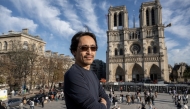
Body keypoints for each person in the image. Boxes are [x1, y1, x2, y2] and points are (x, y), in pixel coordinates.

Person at [64, 31, 110, 109]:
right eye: (84, 48)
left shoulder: (93, 74)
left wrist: (102, 105)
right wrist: (102, 105)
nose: (89, 52)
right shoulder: (73, 74)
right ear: (74, 51)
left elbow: (107, 100)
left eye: (93, 48)